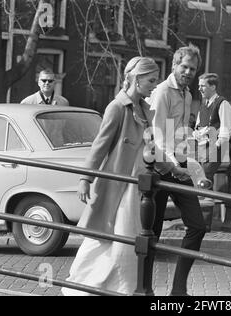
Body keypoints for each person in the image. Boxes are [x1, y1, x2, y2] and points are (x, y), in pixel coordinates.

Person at [61, 57, 159, 295]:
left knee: (129, 241)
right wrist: (85, 179)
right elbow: (100, 145)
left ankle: (121, 289)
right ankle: (84, 286)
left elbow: (149, 148)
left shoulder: (146, 110)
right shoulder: (117, 108)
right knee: (113, 240)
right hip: (120, 186)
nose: (154, 85)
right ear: (136, 79)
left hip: (139, 186)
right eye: (151, 80)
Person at [148, 44, 207, 296]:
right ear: (174, 66)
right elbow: (157, 136)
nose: (188, 72)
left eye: (192, 69)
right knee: (152, 232)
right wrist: (173, 165)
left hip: (179, 164)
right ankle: (144, 289)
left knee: (197, 226)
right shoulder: (162, 92)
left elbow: (180, 135)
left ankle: (178, 290)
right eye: (184, 66)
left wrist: (189, 163)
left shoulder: (188, 94)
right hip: (160, 167)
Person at [194, 73, 231, 182]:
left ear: (213, 87)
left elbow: (226, 129)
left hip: (216, 146)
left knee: (206, 174)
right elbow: (198, 125)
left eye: (202, 86)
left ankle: (207, 198)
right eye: (199, 86)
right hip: (202, 145)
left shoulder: (222, 103)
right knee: (196, 173)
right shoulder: (203, 104)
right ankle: (203, 198)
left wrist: (215, 147)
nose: (199, 89)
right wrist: (196, 133)